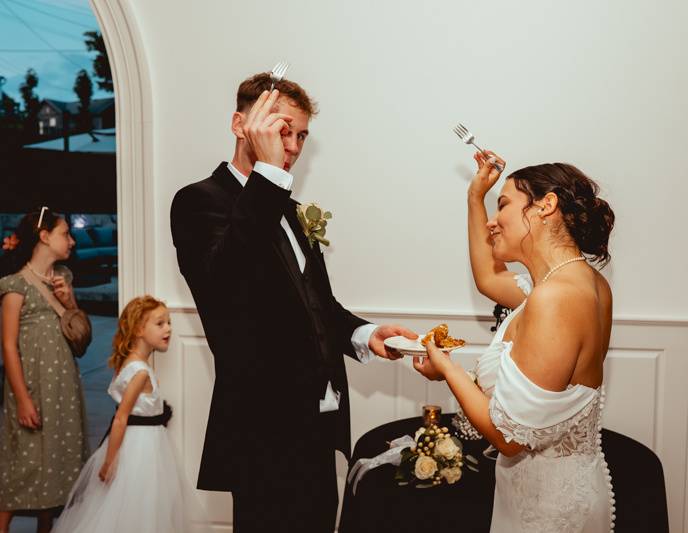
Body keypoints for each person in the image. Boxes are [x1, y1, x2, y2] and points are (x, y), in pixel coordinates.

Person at [170, 74, 416, 532]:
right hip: (263, 433)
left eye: (301, 135)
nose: (295, 146)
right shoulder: (198, 202)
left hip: (317, 426)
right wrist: (268, 177)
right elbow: (229, 283)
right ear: (240, 124)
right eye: (283, 130)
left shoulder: (286, 208)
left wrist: (366, 334)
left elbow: (316, 305)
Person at [414, 152, 617, 532]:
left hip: (549, 511)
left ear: (546, 206)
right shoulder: (574, 283)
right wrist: (475, 197)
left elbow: (509, 437)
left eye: (502, 205)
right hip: (539, 493)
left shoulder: (556, 297)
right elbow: (489, 279)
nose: (492, 222)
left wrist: (447, 368)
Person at [52, 295, 206, 533]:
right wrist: (109, 461)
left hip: (140, 442)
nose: (168, 329)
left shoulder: (129, 364)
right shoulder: (140, 372)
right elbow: (121, 418)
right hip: (142, 448)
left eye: (169, 323)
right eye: (160, 323)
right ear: (139, 329)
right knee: (144, 504)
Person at [0, 207, 89, 533]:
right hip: (32, 390)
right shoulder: (15, 285)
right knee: (21, 468)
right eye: (66, 233)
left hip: (62, 391)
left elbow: (80, 340)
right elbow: (8, 346)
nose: (72, 241)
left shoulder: (63, 279)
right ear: (44, 236)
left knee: (56, 468)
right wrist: (22, 399)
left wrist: (70, 304)